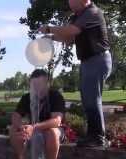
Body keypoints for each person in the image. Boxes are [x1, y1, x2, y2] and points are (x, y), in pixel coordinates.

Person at [38, 0, 112, 147]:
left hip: (97, 59)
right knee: (88, 99)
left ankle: (98, 137)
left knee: (92, 99)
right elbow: (69, 38)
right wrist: (51, 38)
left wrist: (49, 29)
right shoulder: (77, 17)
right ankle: (93, 135)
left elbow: (72, 31)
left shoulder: (92, 12)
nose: (69, 2)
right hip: (88, 60)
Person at [9, 69, 65, 159]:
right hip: (34, 129)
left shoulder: (55, 96)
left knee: (51, 133)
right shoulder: (27, 97)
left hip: (54, 129)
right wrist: (21, 127)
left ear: (47, 83)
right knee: (13, 129)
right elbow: (16, 115)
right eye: (34, 84)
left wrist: (34, 127)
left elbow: (57, 121)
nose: (37, 87)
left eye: (40, 84)